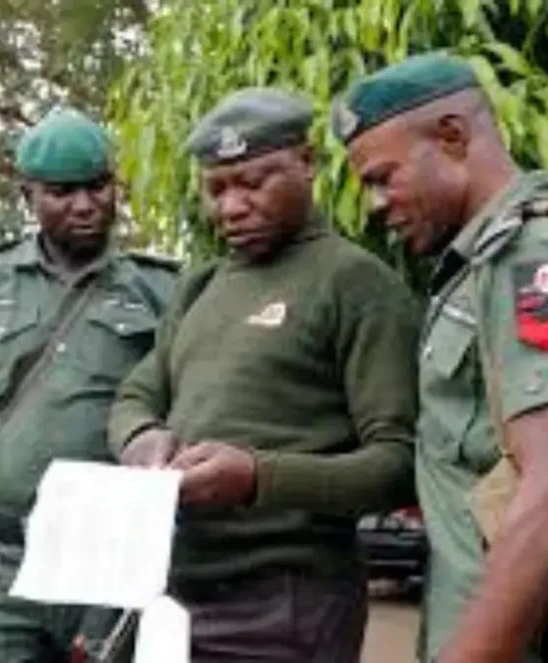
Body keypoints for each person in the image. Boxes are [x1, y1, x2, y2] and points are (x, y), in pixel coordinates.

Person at [332, 52, 548, 663]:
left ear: (452, 136)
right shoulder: (483, 269)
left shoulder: (531, 263)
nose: (373, 204)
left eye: (382, 176)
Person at [108, 87, 420, 663]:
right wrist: (140, 439)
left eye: (254, 182)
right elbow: (137, 392)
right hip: (172, 598)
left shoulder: (355, 284)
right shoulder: (200, 286)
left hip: (286, 607)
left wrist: (257, 478)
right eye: (217, 188)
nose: (231, 207)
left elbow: (398, 465)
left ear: (306, 163)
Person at [0, 107, 178, 662]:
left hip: (112, 564)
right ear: (28, 196)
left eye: (97, 186)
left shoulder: (160, 288)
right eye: (62, 192)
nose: (85, 205)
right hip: (4, 557)